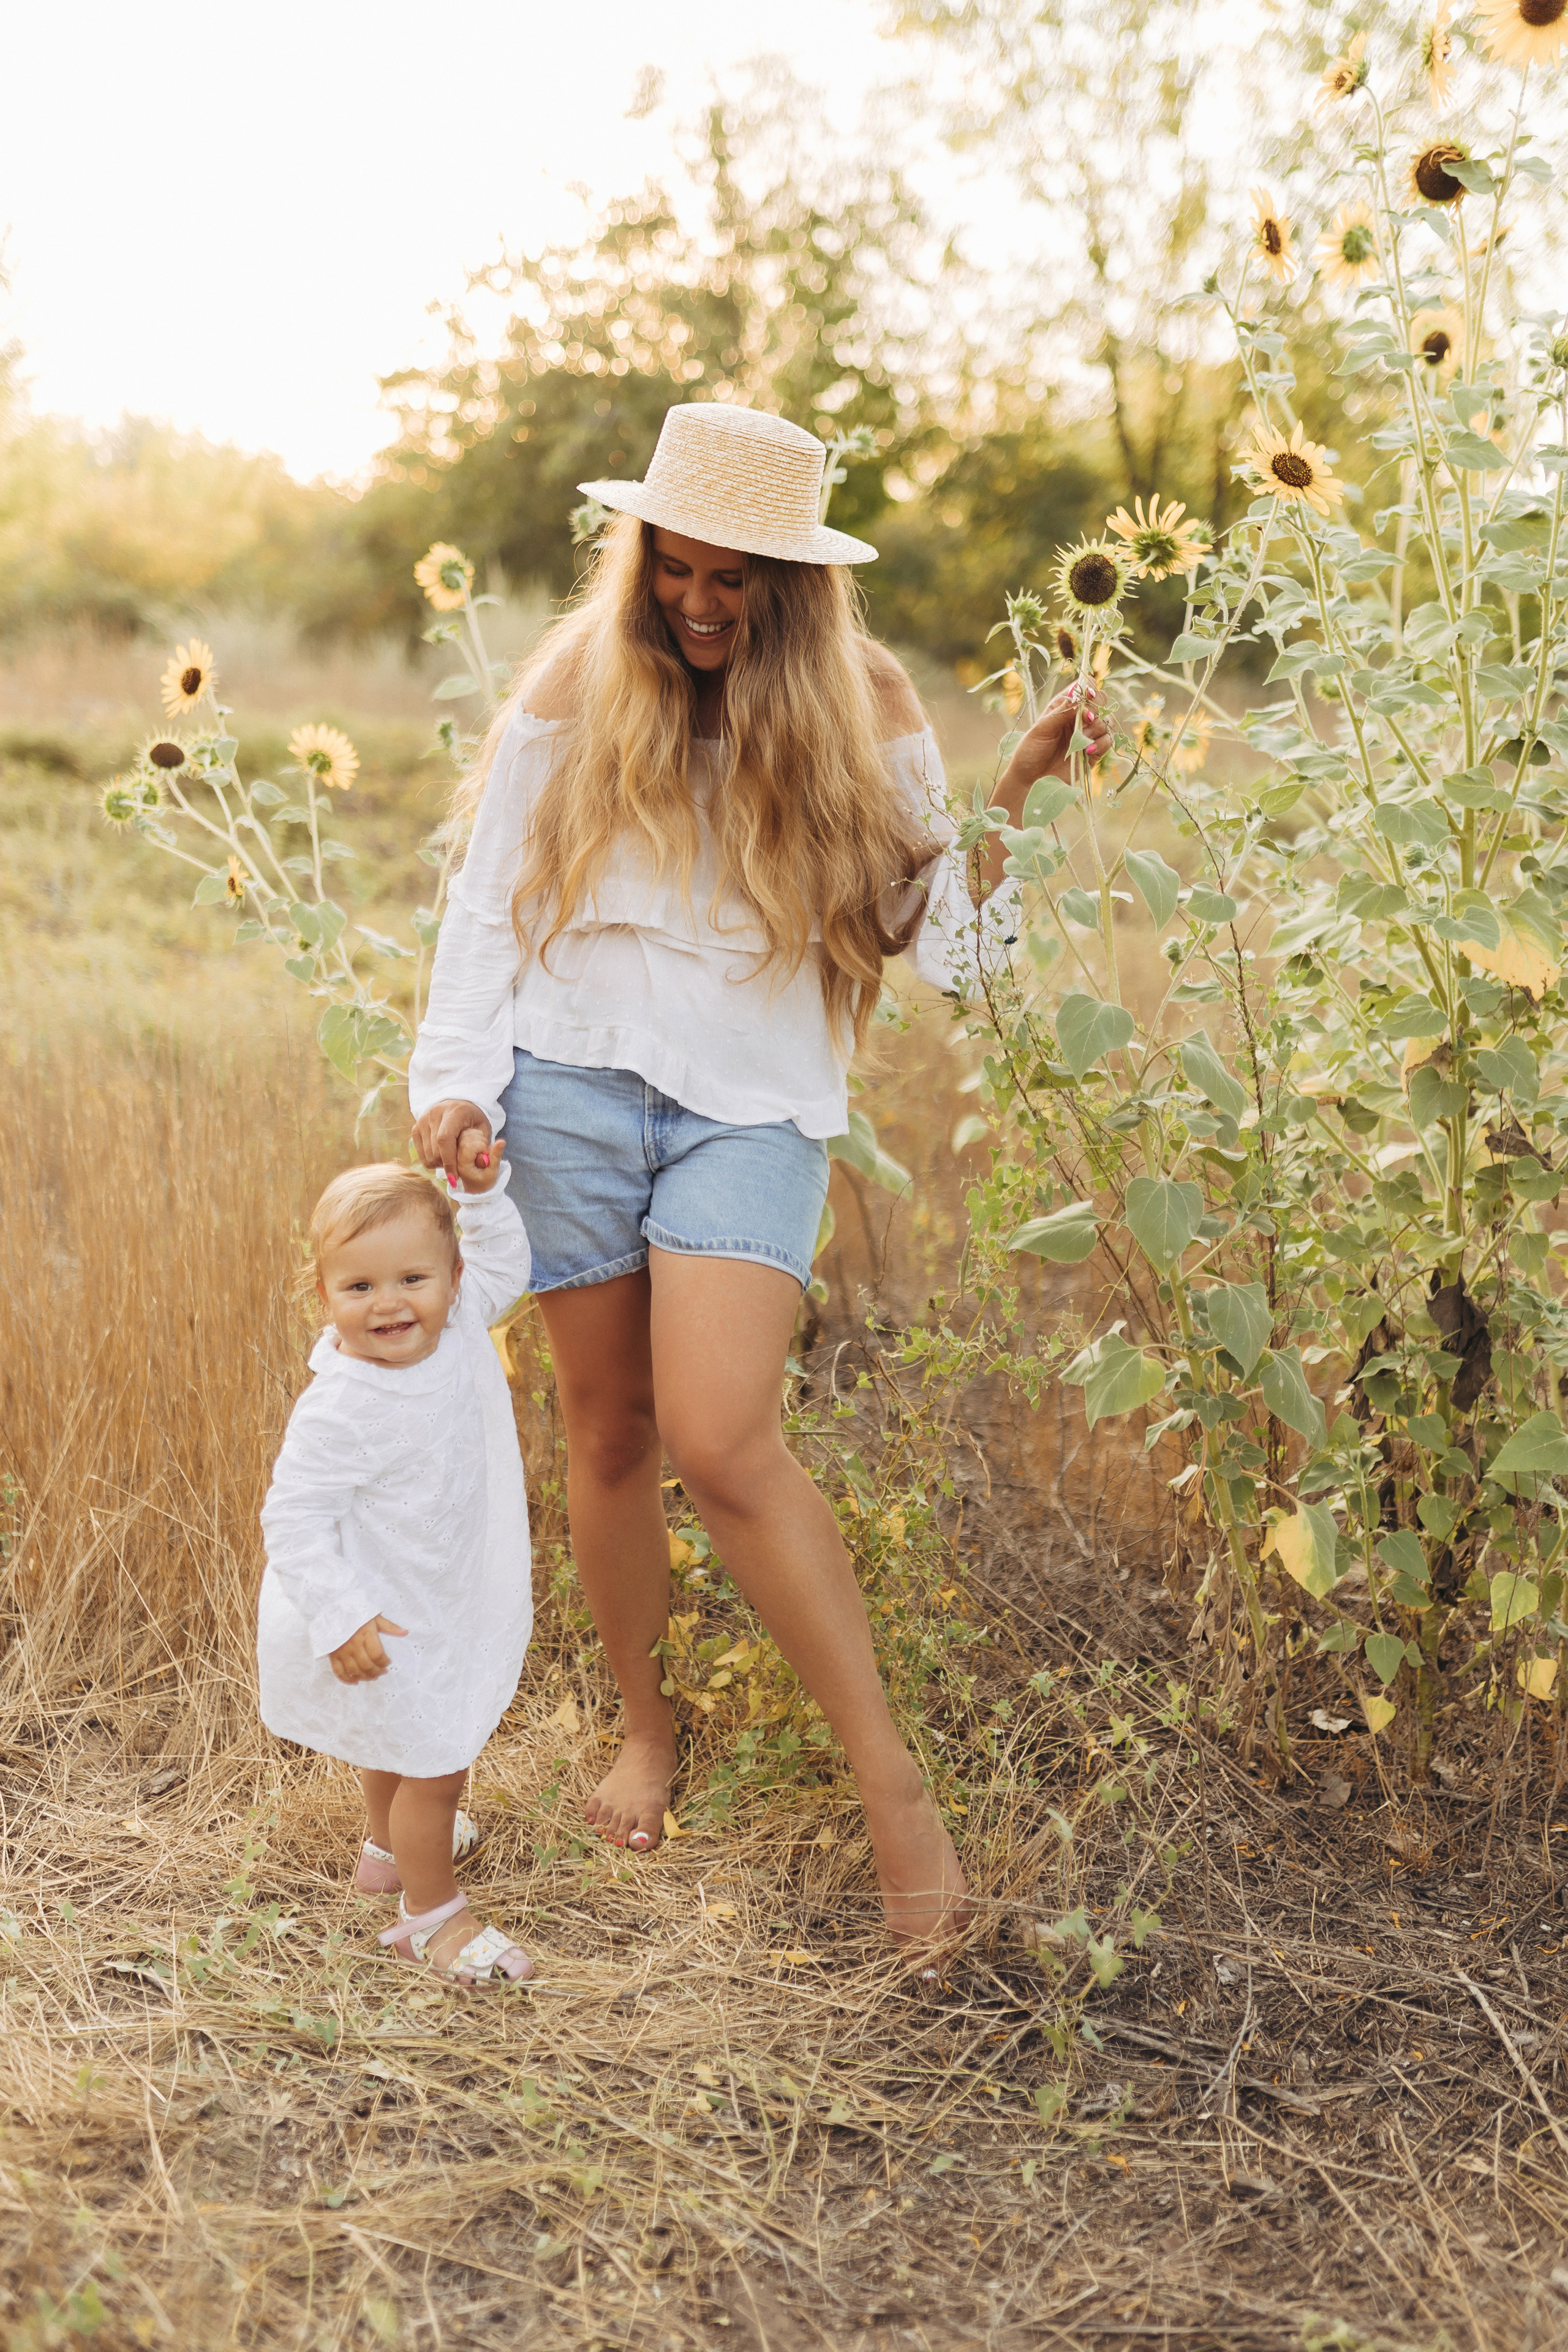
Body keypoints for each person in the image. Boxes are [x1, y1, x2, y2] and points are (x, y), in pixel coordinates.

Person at [409, 403, 1109, 1946]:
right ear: (643, 551)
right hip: (566, 1085)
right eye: (675, 567)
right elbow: (478, 911)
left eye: (736, 578)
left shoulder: (862, 697)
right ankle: (647, 1723)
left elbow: (951, 961)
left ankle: (890, 1792)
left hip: (752, 1108)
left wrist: (1018, 806)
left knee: (723, 1443)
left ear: (796, 581)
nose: (700, 602)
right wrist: (452, 1087)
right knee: (606, 1435)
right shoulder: (578, 676)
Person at [257, 1158, 535, 1986]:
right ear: (323, 1297)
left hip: (438, 1589)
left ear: (453, 1280)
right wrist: (338, 1614)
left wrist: (481, 1196)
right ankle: (432, 1917)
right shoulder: (341, 1404)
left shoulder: (459, 1326)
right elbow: (292, 1516)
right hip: (376, 1604)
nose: (388, 1304)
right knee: (437, 1762)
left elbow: (509, 1264)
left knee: (400, 1733)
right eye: (359, 1287)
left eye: (412, 1278)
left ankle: (387, 1853)